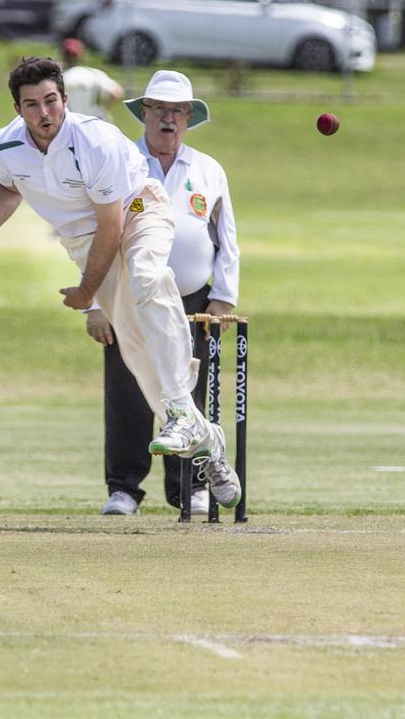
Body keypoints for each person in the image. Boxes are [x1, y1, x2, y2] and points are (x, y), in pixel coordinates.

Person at [0, 56, 241, 512]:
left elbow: (113, 228)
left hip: (137, 210)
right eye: (32, 105)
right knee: (134, 348)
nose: (44, 113)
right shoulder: (7, 145)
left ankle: (184, 414)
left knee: (149, 275)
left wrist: (88, 293)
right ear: (18, 109)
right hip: (84, 238)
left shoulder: (93, 140)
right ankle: (205, 437)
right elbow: (10, 186)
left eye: (51, 101)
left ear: (64, 100)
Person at [87, 70, 240, 516]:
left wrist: (223, 298)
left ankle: (188, 488)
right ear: (144, 114)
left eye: (177, 111)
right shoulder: (122, 162)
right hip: (126, 295)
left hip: (193, 300)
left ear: (189, 118)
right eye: (159, 110)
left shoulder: (208, 169)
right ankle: (124, 488)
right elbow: (96, 234)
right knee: (127, 389)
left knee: (186, 390)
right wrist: (95, 305)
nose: (168, 119)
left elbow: (226, 238)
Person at [60, 38, 124, 121]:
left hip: (70, 122)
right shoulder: (93, 73)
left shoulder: (59, 77)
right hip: (93, 122)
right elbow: (117, 92)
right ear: (81, 55)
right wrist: (102, 110)